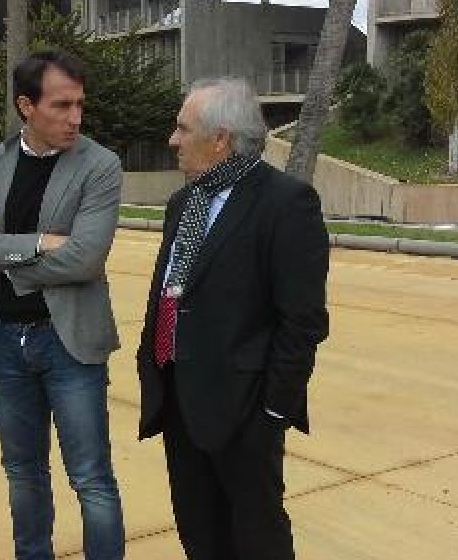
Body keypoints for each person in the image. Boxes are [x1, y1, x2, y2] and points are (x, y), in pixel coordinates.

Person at [136, 77, 330, 560]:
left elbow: (302, 323)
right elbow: (171, 293)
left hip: (245, 412)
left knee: (256, 539)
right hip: (179, 399)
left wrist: (272, 413)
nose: (172, 140)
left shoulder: (285, 204)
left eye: (183, 129)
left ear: (220, 138)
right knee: (200, 535)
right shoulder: (185, 202)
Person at [0, 51, 126, 560]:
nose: (75, 118)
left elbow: (86, 258)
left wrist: (1, 249)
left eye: (79, 105)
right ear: (26, 106)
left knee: (91, 477)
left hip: (69, 342)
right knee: (23, 472)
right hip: (4, 341)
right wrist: (40, 243)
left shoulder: (100, 165)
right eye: (61, 105)